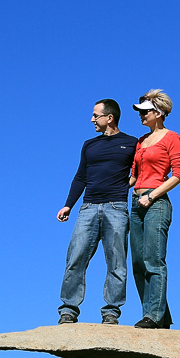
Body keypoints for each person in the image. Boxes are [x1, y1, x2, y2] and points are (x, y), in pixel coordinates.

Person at [56, 99, 138, 325]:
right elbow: (80, 176)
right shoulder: (89, 145)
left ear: (109, 117)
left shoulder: (132, 143)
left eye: (96, 115)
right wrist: (68, 205)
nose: (92, 119)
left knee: (117, 263)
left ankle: (111, 312)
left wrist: (126, 184)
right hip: (88, 207)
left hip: (116, 208)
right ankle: (68, 310)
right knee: (75, 258)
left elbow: (141, 170)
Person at [129, 89, 180, 329]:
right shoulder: (140, 141)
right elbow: (132, 177)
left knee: (154, 260)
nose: (141, 116)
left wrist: (152, 195)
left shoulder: (172, 137)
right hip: (136, 203)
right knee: (138, 263)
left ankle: (153, 316)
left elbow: (178, 175)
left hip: (156, 204)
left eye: (145, 112)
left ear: (159, 113)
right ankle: (160, 316)